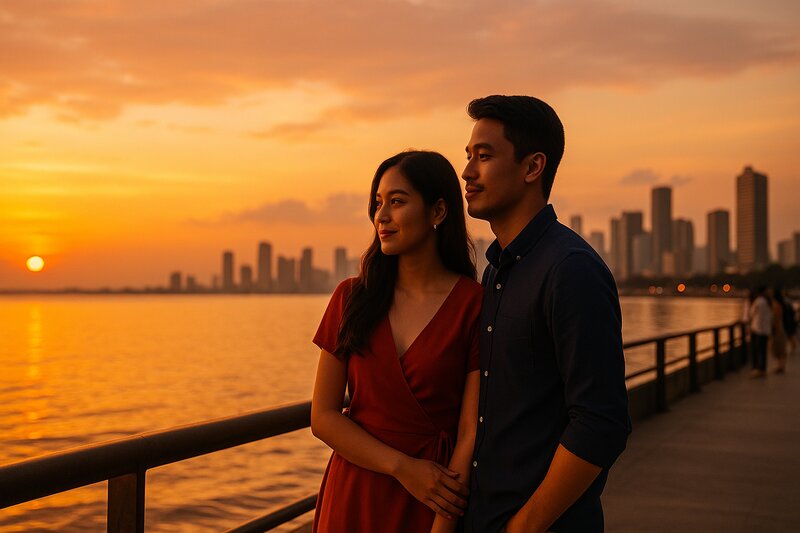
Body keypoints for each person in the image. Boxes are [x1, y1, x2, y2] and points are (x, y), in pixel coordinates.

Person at [460, 95, 631, 533]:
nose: (467, 172)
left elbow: (601, 422)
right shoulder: (495, 270)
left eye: (484, 156)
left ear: (533, 167)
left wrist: (522, 528)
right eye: (468, 156)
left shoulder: (570, 269)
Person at [310, 150, 483, 532]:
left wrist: (444, 522)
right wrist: (403, 468)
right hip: (354, 493)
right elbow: (322, 417)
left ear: (438, 211)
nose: (381, 216)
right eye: (378, 203)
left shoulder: (473, 304)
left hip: (432, 497)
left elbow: (470, 431)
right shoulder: (351, 298)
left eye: (397, 202)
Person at [749, 286, 771, 378]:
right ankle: (763, 369)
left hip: (757, 328)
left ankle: (757, 369)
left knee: (757, 350)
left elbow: (751, 313)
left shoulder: (758, 301)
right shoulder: (767, 302)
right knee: (763, 350)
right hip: (765, 329)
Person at [770, 287, 789, 373]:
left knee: (778, 348)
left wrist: (775, 330)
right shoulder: (782, 304)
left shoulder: (776, 305)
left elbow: (776, 318)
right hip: (780, 327)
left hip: (778, 329)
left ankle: (780, 366)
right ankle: (781, 365)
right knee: (781, 348)